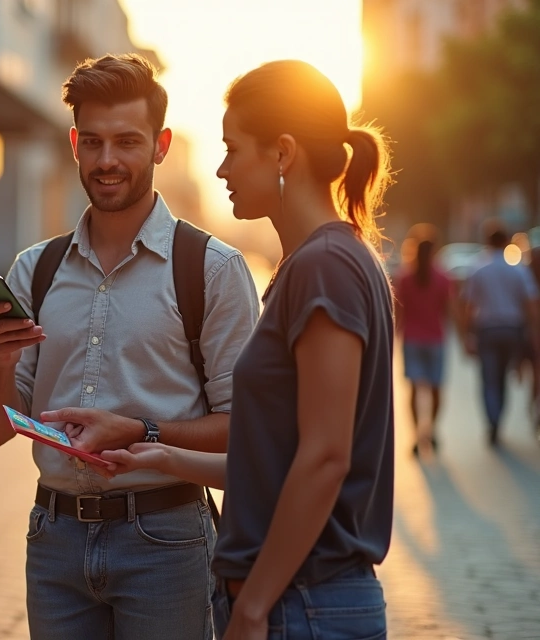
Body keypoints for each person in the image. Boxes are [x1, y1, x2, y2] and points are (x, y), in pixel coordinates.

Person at [63, 60, 396, 639]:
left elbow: (324, 458)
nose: (221, 169)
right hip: (300, 600)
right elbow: (280, 462)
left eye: (233, 148)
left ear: (283, 153)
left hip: (302, 603)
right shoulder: (322, 262)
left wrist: (254, 604)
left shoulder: (325, 267)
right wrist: (161, 455)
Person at [0, 53, 261, 639]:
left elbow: (245, 427)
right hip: (54, 539)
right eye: (94, 142)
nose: (107, 162)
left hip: (167, 538)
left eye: (127, 141)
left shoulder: (211, 269)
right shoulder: (36, 269)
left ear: (161, 144)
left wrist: (138, 430)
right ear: (74, 143)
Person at [459, 223, 540, 446]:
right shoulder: (517, 269)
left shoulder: (478, 268)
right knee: (503, 376)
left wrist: (466, 334)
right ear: (505, 242)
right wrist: (533, 330)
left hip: (487, 329)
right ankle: (499, 418)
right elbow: (530, 303)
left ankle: (492, 419)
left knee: (489, 378)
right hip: (512, 329)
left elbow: (468, 305)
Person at [394, 236, 453, 455]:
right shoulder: (442, 278)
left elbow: (399, 310)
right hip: (435, 339)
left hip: (412, 339)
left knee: (414, 390)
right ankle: (431, 430)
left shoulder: (405, 278)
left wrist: (396, 333)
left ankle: (418, 434)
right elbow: (448, 309)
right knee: (436, 388)